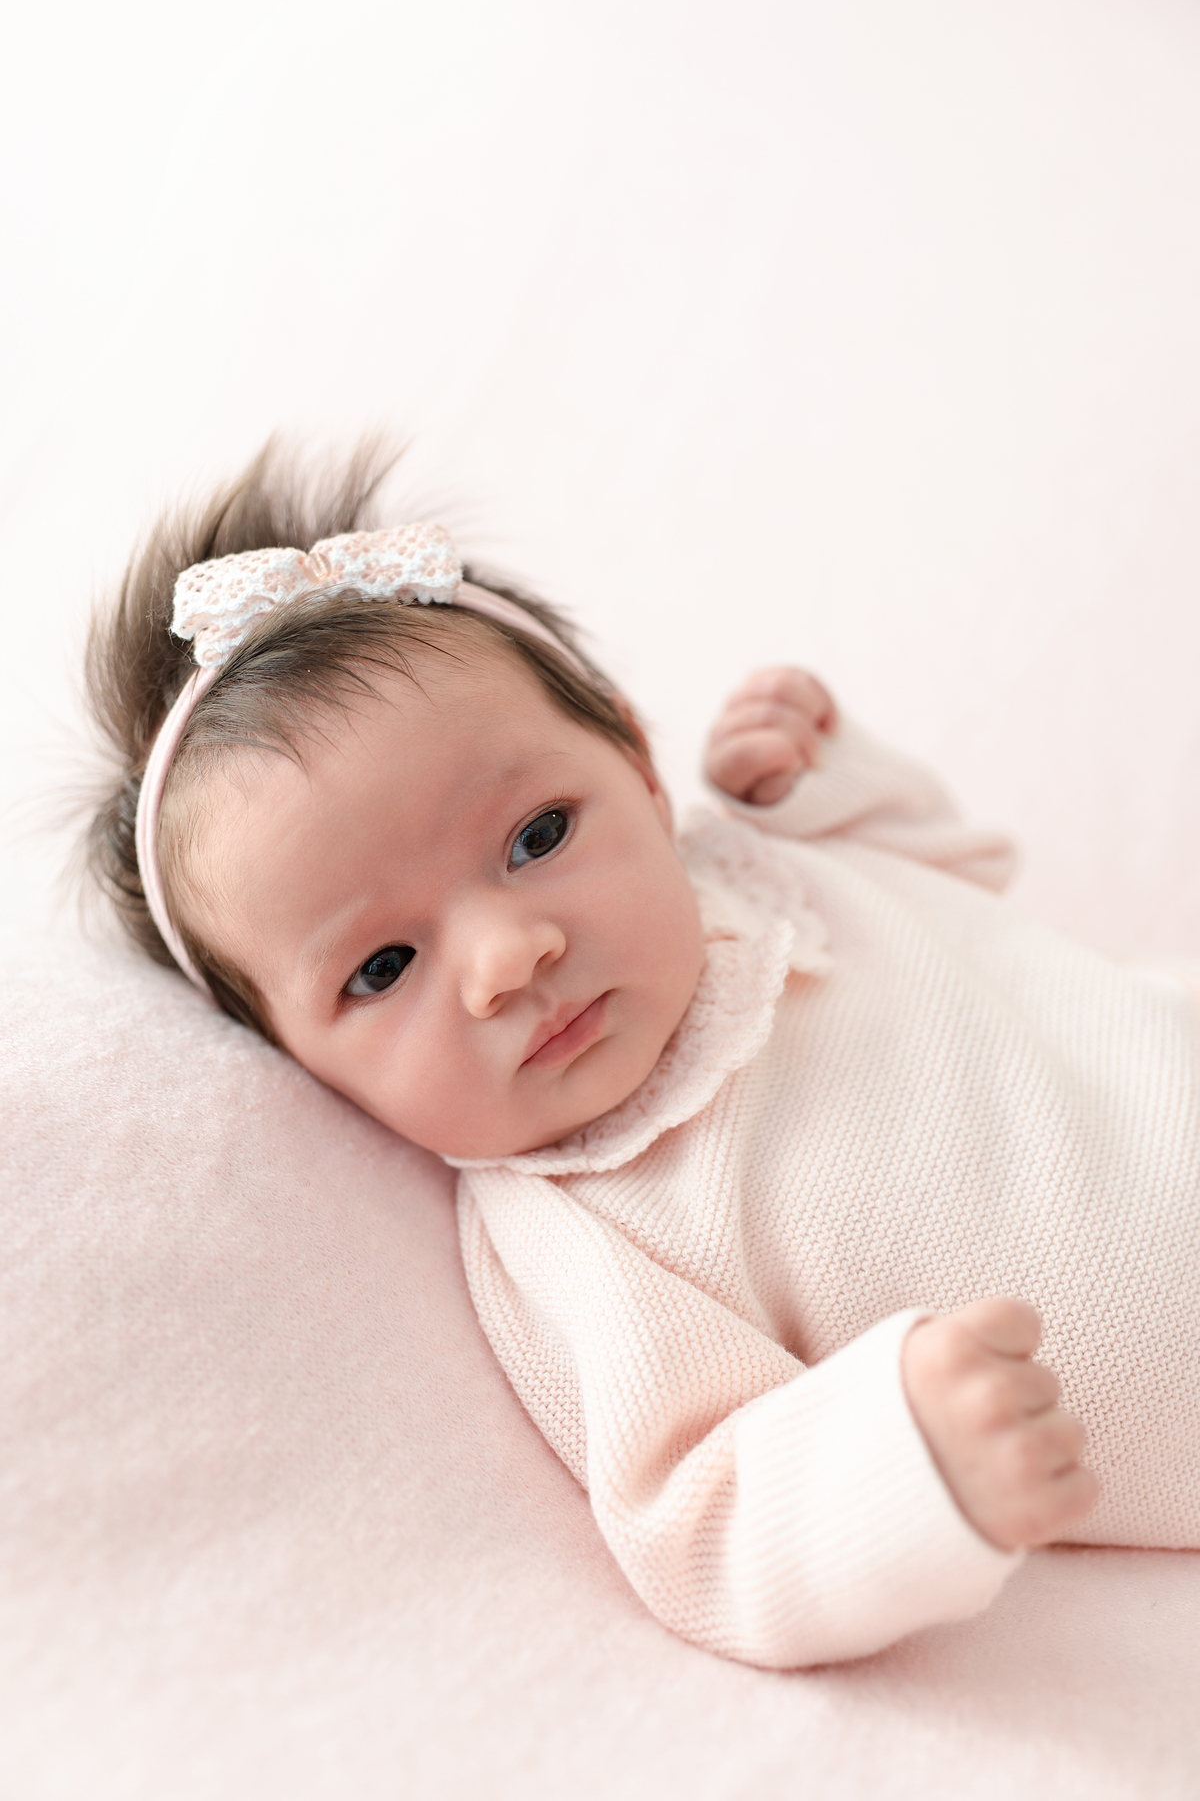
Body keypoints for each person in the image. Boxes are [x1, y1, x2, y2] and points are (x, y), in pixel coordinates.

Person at [86, 445, 1200, 1669]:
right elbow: (702, 1518)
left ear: (636, 761)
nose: (508, 955)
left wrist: (837, 786)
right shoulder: (578, 1232)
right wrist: (899, 1462)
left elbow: (973, 897)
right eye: (384, 967)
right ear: (301, 1069)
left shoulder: (761, 866)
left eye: (538, 835)